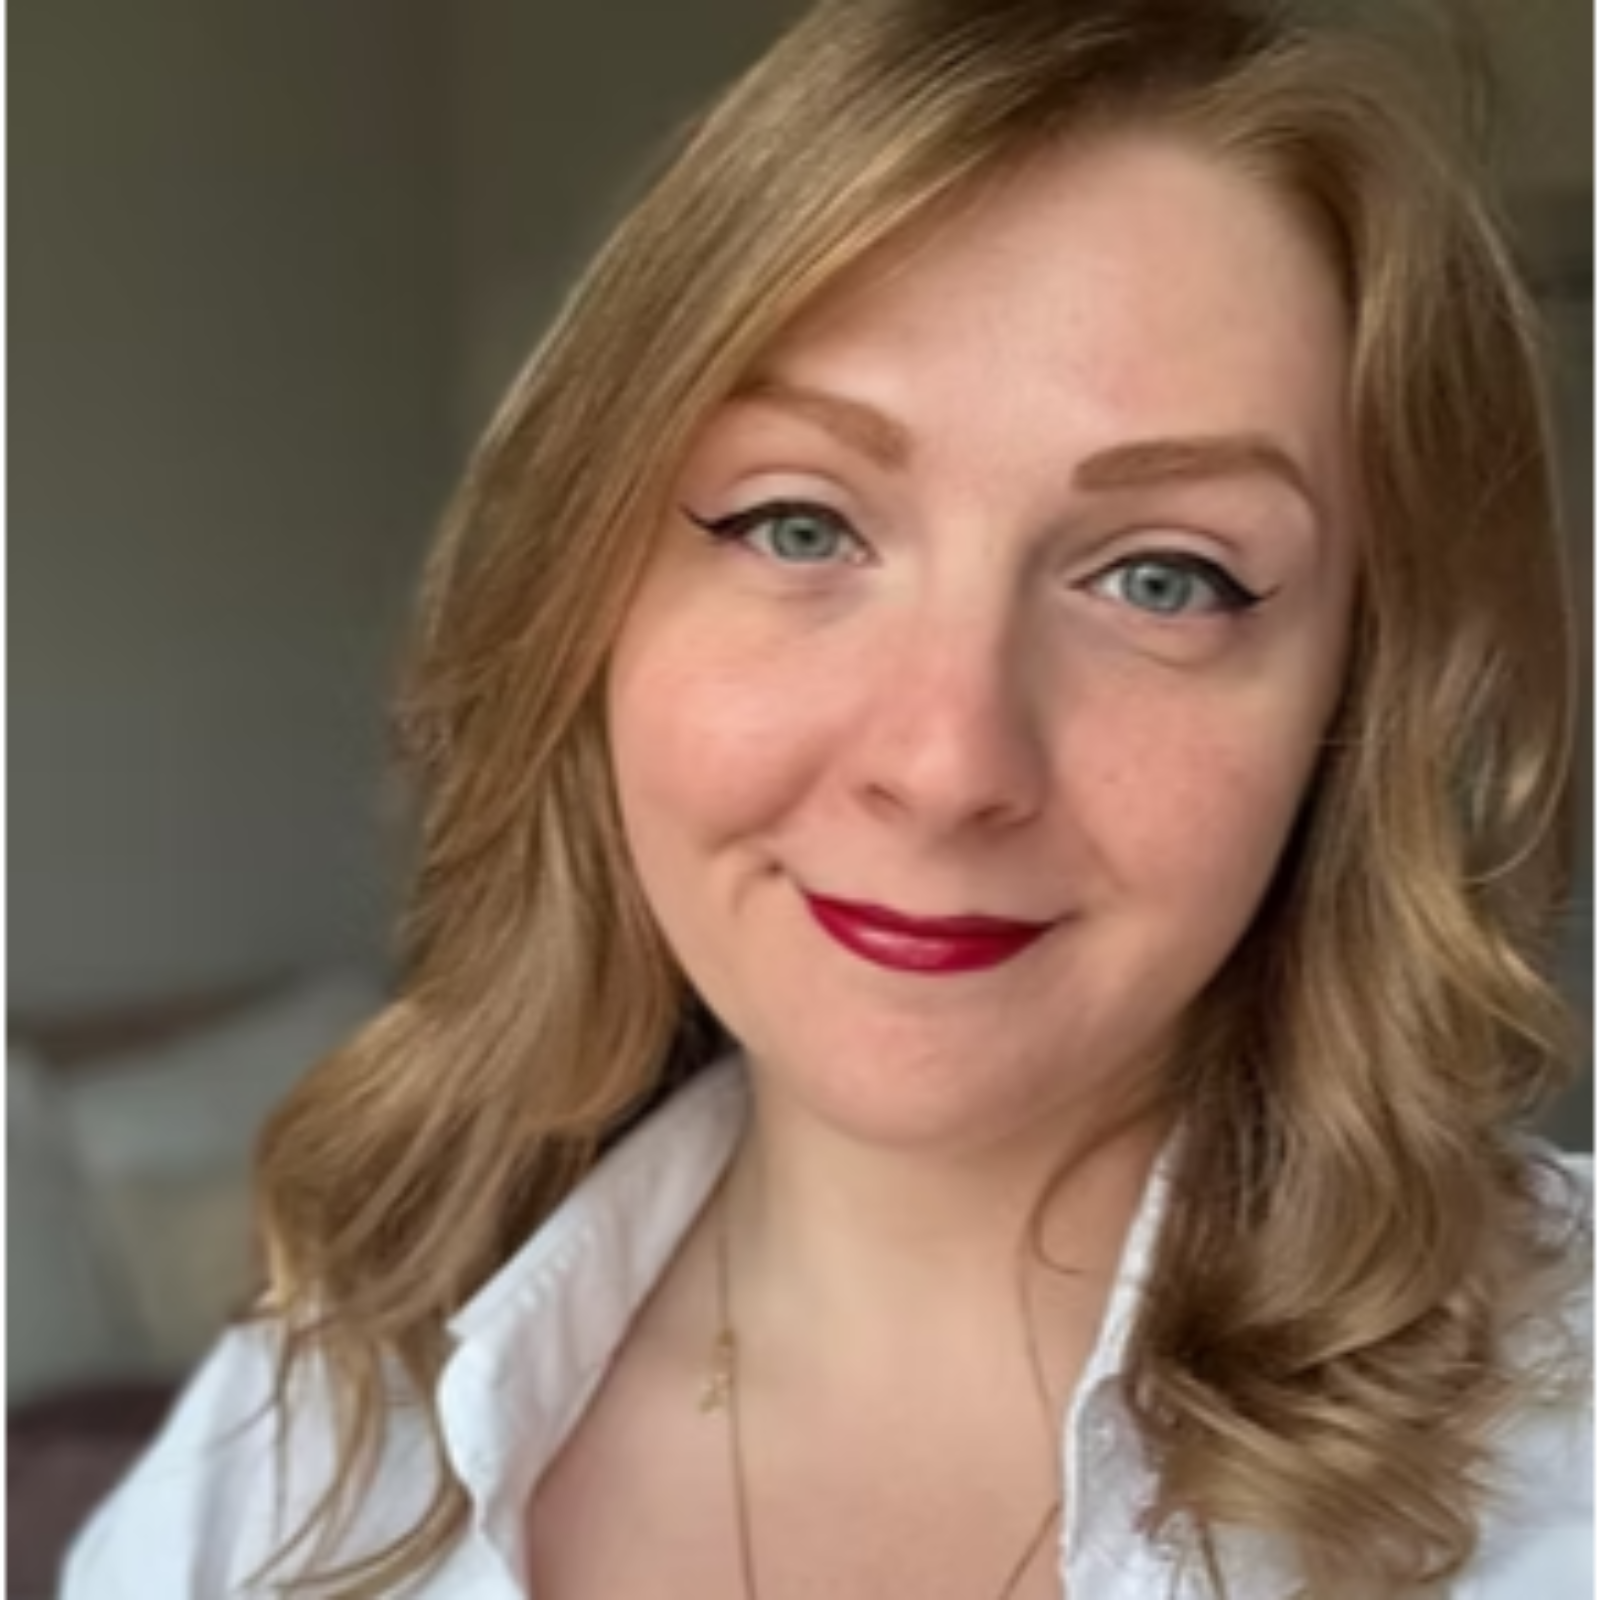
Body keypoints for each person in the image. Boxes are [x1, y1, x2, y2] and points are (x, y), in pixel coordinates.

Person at [63, 1, 1595, 1596]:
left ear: (1362, 694)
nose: (944, 766)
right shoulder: (287, 1456)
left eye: (1166, 576)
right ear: (591, 602)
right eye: (798, 525)